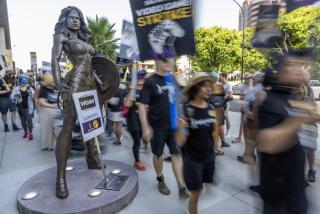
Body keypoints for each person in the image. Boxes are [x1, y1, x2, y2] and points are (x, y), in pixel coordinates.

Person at [51, 6, 109, 199]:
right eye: (71, 17)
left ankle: (92, 158)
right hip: (74, 82)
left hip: (91, 83)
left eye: (78, 17)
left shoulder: (84, 39)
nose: (75, 20)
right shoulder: (62, 37)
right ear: (65, 20)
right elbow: (55, 59)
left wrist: (101, 82)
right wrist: (58, 82)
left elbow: (90, 65)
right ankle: (60, 177)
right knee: (68, 125)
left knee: (90, 122)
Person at [256, 50, 317, 214]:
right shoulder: (268, 100)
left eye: (300, 65)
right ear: (279, 71)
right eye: (292, 65)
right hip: (277, 195)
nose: (299, 69)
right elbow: (266, 143)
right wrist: (301, 118)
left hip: (295, 191)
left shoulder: (293, 97)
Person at [139, 57, 188, 198]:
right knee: (158, 154)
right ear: (159, 62)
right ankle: (160, 178)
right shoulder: (150, 81)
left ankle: (181, 185)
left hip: (173, 126)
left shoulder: (172, 79)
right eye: (167, 60)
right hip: (157, 127)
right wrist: (145, 127)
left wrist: (180, 117)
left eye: (171, 60)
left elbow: (178, 100)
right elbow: (142, 105)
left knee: (176, 154)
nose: (170, 63)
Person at [176, 72, 219, 214]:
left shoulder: (211, 108)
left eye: (210, 87)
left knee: (202, 187)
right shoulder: (187, 111)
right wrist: (182, 127)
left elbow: (214, 129)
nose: (209, 89)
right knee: (195, 194)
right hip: (192, 160)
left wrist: (215, 146)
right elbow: (180, 142)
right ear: (195, 89)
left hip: (208, 157)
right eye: (205, 87)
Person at [237, 72, 264, 165]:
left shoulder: (254, 90)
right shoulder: (266, 90)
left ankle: (247, 157)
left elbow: (246, 104)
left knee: (249, 139)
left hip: (251, 119)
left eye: (254, 78)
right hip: (261, 121)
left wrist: (245, 111)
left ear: (258, 79)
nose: (253, 79)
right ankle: (252, 156)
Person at [125, 70, 147, 170]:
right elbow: (127, 104)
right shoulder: (132, 90)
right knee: (137, 141)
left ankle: (144, 148)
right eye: (140, 78)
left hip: (144, 121)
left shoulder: (146, 90)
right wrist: (131, 89)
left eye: (143, 78)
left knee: (144, 139)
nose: (141, 80)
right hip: (133, 121)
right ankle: (137, 161)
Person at [38, 73, 62, 151]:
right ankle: (47, 146)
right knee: (47, 130)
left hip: (57, 110)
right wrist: (54, 106)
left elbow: (59, 97)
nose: (53, 83)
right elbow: (42, 102)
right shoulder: (43, 90)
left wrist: (60, 102)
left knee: (57, 129)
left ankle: (55, 145)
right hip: (47, 111)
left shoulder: (55, 88)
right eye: (52, 82)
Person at [11, 76, 35, 140]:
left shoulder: (29, 88)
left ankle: (30, 133)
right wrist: (15, 95)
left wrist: (31, 94)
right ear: (19, 82)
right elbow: (12, 98)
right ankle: (26, 132)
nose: (23, 84)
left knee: (29, 120)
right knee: (23, 121)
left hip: (28, 107)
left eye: (25, 82)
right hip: (20, 108)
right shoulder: (16, 89)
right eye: (22, 82)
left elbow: (34, 97)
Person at [232, 73, 252, 143]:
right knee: (242, 123)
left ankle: (248, 138)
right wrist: (241, 106)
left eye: (249, 78)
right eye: (246, 78)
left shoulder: (253, 86)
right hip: (244, 107)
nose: (248, 80)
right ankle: (239, 137)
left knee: (249, 124)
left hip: (251, 108)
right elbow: (239, 96)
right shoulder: (242, 86)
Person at [107, 80, 128, 145]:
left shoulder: (112, 86)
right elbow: (125, 97)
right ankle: (118, 139)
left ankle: (117, 139)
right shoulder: (124, 86)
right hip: (122, 107)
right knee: (119, 125)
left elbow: (108, 98)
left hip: (113, 108)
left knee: (116, 125)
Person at [210, 83, 228, 154]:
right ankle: (215, 148)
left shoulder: (211, 96)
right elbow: (224, 107)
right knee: (216, 130)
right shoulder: (222, 98)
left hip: (214, 114)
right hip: (218, 114)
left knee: (214, 130)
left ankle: (215, 147)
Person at [218, 72, 232, 139]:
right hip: (220, 103)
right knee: (220, 117)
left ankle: (228, 132)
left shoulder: (228, 84)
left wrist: (226, 95)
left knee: (226, 117)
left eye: (220, 76)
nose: (219, 77)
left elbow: (230, 93)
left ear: (223, 77)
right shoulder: (220, 84)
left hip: (225, 103)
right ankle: (221, 131)